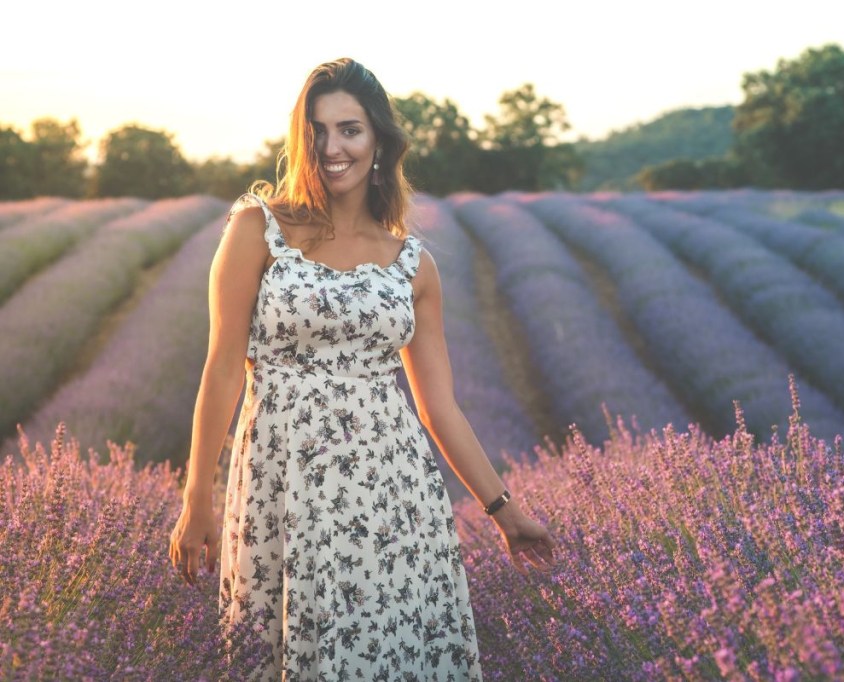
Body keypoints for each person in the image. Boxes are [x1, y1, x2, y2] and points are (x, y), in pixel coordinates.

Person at [168, 57, 556, 680]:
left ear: (379, 139)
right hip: (282, 482)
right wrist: (198, 500)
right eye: (316, 131)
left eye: (349, 129)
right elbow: (222, 369)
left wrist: (503, 510)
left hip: (394, 496)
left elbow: (439, 407)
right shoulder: (258, 229)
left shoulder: (411, 263)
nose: (331, 147)